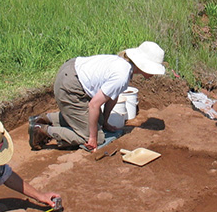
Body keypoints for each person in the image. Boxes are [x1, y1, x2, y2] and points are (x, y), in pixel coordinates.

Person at [29, 41, 166, 152]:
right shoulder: (122, 75)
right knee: (97, 136)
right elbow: (94, 105)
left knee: (97, 123)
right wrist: (92, 138)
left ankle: (44, 118)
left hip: (71, 74)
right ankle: (41, 130)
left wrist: (105, 122)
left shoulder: (123, 65)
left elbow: (112, 97)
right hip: (70, 86)